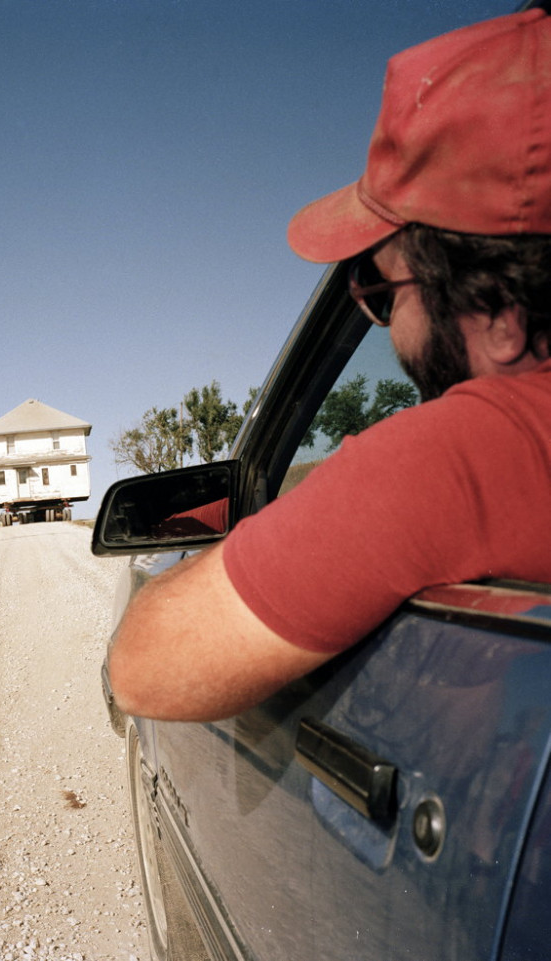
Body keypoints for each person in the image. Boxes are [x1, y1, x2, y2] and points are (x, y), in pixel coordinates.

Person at [109, 9, 551, 723]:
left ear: (500, 312)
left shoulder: (466, 456)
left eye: (380, 290)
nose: (381, 321)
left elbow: (143, 667)